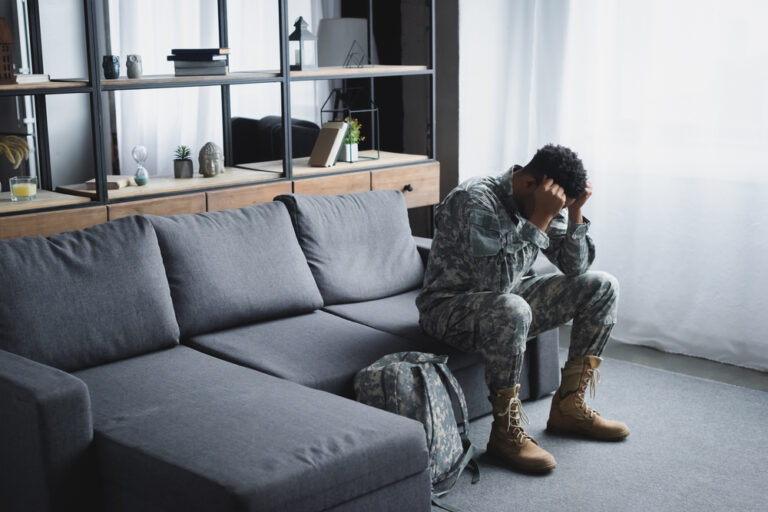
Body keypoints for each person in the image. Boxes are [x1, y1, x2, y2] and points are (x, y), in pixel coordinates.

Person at [416, 144, 628, 473]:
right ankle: (504, 434)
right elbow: (497, 282)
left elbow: (576, 267)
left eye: (560, 207)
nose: (553, 212)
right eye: (556, 205)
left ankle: (569, 407)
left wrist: (574, 214)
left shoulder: (541, 198)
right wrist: (540, 217)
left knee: (602, 285)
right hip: (449, 308)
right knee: (513, 308)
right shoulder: (474, 199)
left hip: (506, 298)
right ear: (531, 183)